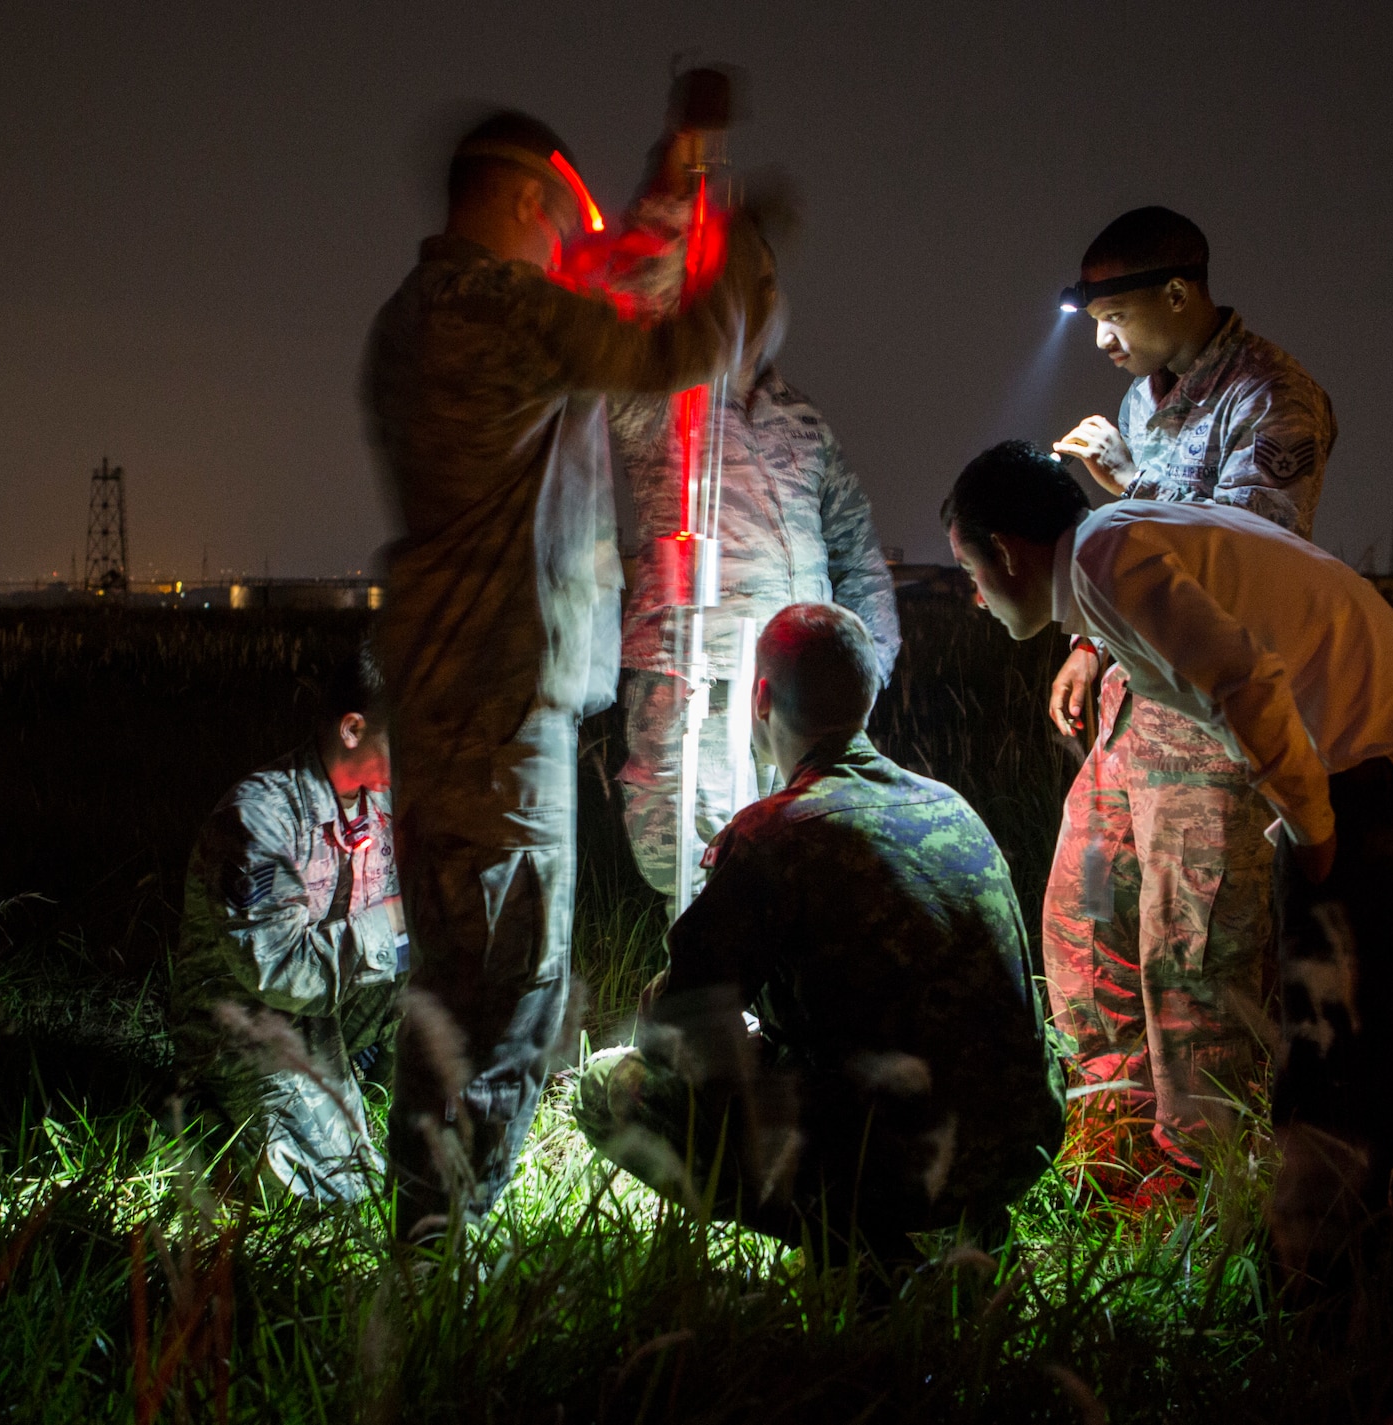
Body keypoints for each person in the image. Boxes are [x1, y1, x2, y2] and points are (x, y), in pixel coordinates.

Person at [364, 101, 773, 1235]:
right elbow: (664, 350)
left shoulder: (414, 315)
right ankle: (446, 1252)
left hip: (447, 687)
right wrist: (734, 244)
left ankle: (426, 1221)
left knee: (455, 972)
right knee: (507, 980)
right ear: (525, 202)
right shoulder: (497, 309)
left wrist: (662, 182)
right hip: (502, 698)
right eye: (560, 219)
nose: (566, 246)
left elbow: (595, 279)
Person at [941, 441, 1393, 1270]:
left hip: (1383, 765)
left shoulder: (1104, 559)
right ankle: (1310, 1250)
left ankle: (1318, 1279)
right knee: (1338, 1026)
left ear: (1009, 552)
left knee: (1335, 1031)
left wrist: (1312, 829)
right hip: (1373, 756)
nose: (975, 599)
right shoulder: (1113, 541)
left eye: (969, 572)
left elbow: (1243, 682)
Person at [575, 603, 1065, 1268]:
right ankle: (975, 1233)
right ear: (866, 696)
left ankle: (862, 1254)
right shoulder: (952, 807)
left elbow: (674, 1034)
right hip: (1018, 1147)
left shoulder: (771, 835)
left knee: (609, 1084)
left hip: (884, 1166)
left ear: (761, 697)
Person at [1036, 206, 1339, 1166]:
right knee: (1085, 922)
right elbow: (1146, 567)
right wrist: (1092, 640)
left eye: (1114, 314)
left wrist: (1126, 490)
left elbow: (1238, 570)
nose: (1100, 339)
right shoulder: (1146, 399)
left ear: (1179, 294)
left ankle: (1213, 1185)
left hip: (1213, 730)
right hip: (1135, 713)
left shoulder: (1276, 401)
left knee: (1197, 962)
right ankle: (1112, 1147)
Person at [610, 238, 901, 897]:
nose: (760, 297)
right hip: (699, 692)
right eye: (737, 279)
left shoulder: (802, 419)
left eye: (768, 280)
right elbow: (625, 299)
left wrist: (863, 673)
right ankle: (703, 999)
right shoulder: (659, 399)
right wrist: (690, 210)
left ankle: (786, 1003)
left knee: (804, 876)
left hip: (804, 698)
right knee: (699, 881)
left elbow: (856, 548)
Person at [170, 647, 405, 1201]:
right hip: (251, 1025)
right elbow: (283, 973)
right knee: (341, 1191)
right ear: (354, 729)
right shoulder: (257, 820)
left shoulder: (381, 806)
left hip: (331, 1014)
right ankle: (204, 1115)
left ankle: (363, 1084)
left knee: (445, 975)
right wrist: (397, 921)